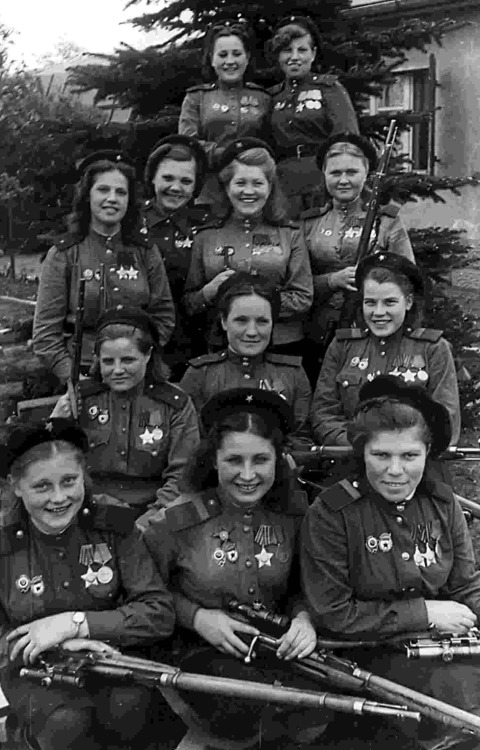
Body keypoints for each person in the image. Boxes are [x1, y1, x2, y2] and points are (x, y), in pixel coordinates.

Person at [302, 374, 480, 750]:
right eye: (381, 455)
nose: (396, 471)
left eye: (410, 456)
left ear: (427, 454)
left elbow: (465, 585)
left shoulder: (442, 503)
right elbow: (333, 614)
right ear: (361, 452)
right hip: (369, 656)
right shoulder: (332, 513)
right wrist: (424, 612)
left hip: (444, 648)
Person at [144, 388, 325, 746]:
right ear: (213, 460)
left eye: (260, 460)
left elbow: (303, 586)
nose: (247, 474)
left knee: (314, 708)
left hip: (274, 648)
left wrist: (304, 619)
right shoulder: (175, 523)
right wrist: (197, 617)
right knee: (248, 705)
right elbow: (143, 594)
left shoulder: (295, 516)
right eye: (233, 461)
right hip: (196, 652)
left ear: (278, 459)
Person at [0, 419, 175, 750]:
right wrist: (60, 645)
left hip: (111, 656)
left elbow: (158, 612)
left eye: (69, 481)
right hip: (34, 670)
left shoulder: (113, 525)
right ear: (16, 486)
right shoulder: (4, 543)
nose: (59, 498)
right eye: (41, 487)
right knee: (68, 724)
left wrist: (77, 625)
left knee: (132, 710)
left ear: (84, 477)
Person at [33, 150, 175, 385]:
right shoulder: (64, 254)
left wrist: (140, 361)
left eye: (121, 192)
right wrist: (74, 379)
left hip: (139, 373)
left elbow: (163, 316)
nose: (112, 198)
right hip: (82, 373)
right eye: (103, 190)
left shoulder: (146, 251)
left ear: (129, 200)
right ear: (87, 196)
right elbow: (45, 335)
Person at [51, 307, 200, 527]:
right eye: (108, 361)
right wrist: (57, 421)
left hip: (155, 515)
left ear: (148, 355)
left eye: (128, 360)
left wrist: (149, 522)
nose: (117, 370)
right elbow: (55, 464)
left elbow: (182, 475)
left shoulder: (174, 404)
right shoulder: (83, 399)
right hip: (89, 511)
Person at [311, 252, 460, 448]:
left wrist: (395, 448)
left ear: (408, 302)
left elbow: (445, 418)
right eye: (370, 302)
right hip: (351, 457)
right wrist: (359, 444)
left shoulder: (433, 349)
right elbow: (323, 412)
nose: (378, 312)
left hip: (412, 463)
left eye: (389, 302)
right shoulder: (342, 346)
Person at [183, 137, 313, 358]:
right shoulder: (205, 236)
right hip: (221, 347)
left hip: (282, 347)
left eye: (258, 183)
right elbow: (189, 303)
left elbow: (303, 297)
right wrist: (208, 292)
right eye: (240, 183)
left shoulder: (290, 234)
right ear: (226, 187)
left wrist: (258, 304)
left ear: (270, 188)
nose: (249, 191)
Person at [302, 132, 415, 384]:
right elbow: (296, 282)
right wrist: (332, 280)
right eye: (335, 173)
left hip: (374, 327)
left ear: (366, 174)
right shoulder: (309, 223)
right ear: (324, 175)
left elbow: (409, 278)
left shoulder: (386, 222)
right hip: (317, 332)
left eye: (352, 172)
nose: (343, 180)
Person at [180, 271, 312, 447]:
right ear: (224, 322)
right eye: (241, 320)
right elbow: (189, 443)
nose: (252, 332)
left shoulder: (293, 374)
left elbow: (301, 440)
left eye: (262, 321)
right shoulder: (199, 374)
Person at [268, 16, 359, 217]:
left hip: (320, 179)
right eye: (287, 51)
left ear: (313, 53)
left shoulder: (330, 89)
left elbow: (346, 139)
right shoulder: (272, 97)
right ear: (278, 56)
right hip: (282, 184)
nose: (294, 57)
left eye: (302, 50)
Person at [179, 20, 271, 211]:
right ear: (212, 59)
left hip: (253, 188)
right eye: (222, 55)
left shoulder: (263, 98)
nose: (230, 61)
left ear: (247, 58)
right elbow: (189, 143)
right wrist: (228, 155)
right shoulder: (196, 97)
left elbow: (272, 144)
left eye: (237, 54)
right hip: (210, 190)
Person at [143, 135, 211, 379]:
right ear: (152, 177)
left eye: (185, 181)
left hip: (195, 339)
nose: (176, 188)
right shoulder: (130, 223)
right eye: (168, 178)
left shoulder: (206, 226)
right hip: (144, 339)